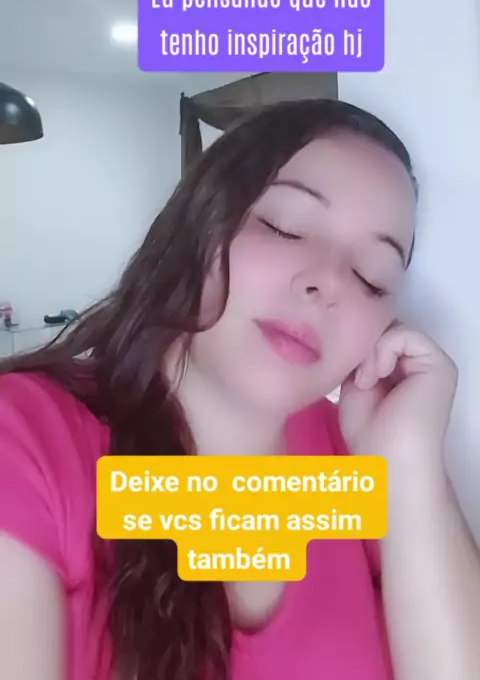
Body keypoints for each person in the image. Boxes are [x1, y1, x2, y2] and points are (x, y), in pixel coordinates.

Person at [0, 99, 478, 680]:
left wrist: (409, 465)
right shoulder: (27, 439)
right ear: (198, 227)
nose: (328, 283)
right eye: (284, 227)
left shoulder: (356, 462)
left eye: (371, 278)